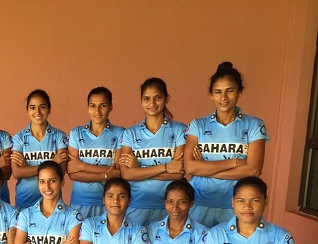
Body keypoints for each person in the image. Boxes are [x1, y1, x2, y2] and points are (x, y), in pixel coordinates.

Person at [184, 62, 269, 227]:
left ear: (240, 92)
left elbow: (253, 170)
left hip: (236, 205)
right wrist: (234, 163)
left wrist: (205, 169)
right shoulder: (197, 125)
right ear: (211, 95)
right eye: (218, 92)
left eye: (230, 91)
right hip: (199, 203)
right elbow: (189, 167)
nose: (223, 98)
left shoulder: (254, 125)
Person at [119, 78, 186, 226]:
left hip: (169, 207)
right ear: (141, 101)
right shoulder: (130, 133)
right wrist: (166, 167)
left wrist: (139, 171)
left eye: (158, 97)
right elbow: (127, 174)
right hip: (137, 206)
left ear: (167, 99)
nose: (152, 103)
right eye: (147, 99)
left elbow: (178, 173)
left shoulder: (180, 130)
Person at [67, 86, 123, 219]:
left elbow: (117, 172)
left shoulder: (120, 133)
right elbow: (73, 173)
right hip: (80, 201)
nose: (97, 111)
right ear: (88, 108)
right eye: (93, 106)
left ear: (111, 107)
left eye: (103, 105)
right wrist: (105, 175)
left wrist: (81, 166)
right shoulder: (76, 133)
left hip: (109, 202)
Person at [11, 89, 68, 210]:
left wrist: (27, 169)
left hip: (52, 201)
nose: (37, 112)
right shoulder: (18, 138)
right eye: (32, 107)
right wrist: (52, 163)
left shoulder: (60, 136)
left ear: (49, 109)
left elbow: (61, 171)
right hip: (25, 200)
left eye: (42, 107)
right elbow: (17, 173)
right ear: (27, 111)